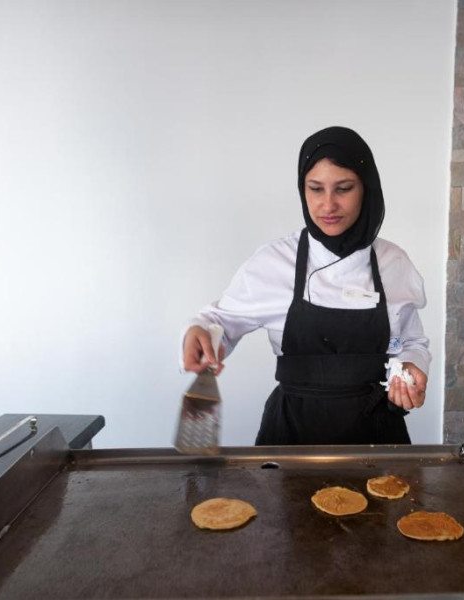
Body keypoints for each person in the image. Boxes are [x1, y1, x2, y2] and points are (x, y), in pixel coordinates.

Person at [181, 126, 430, 445]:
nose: (328, 205)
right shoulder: (274, 262)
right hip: (291, 436)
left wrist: (411, 365)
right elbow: (219, 323)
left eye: (344, 189)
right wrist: (200, 332)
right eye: (315, 189)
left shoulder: (393, 262)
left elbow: (411, 341)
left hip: (376, 436)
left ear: (366, 189)